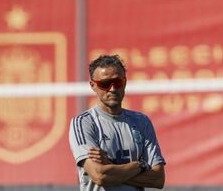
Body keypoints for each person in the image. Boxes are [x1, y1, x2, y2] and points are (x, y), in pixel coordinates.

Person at [69, 55, 166, 191]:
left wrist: (110, 166)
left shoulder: (141, 122)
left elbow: (158, 179)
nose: (112, 89)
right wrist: (138, 166)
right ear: (93, 85)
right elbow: (99, 176)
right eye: (105, 84)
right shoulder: (83, 123)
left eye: (118, 82)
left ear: (125, 82)